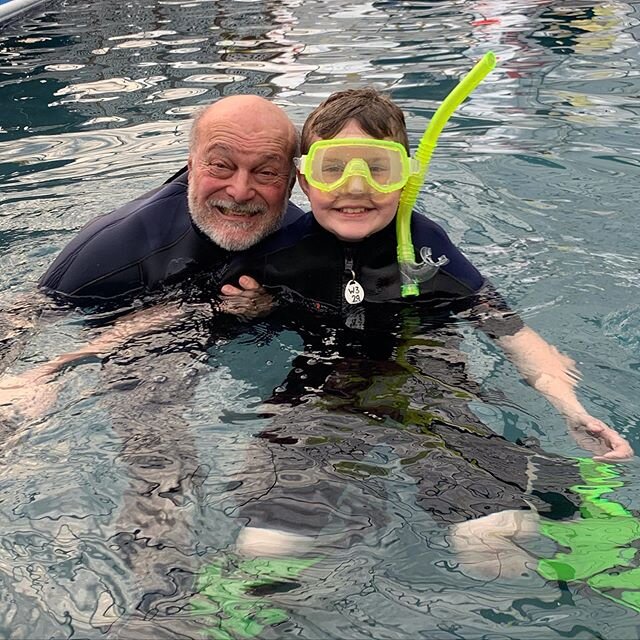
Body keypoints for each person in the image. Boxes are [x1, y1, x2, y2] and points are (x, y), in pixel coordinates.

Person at [219, 88, 633, 575]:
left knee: (490, 547)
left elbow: (508, 327)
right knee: (267, 547)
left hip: (426, 374)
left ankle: (559, 500)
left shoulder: (427, 248)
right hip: (320, 389)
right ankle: (323, 579)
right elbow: (202, 310)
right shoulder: (275, 255)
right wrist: (250, 309)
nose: (355, 187)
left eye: (378, 168)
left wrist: (571, 409)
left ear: (407, 175)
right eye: (334, 168)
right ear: (304, 179)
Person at [0, 94, 302, 418]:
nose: (240, 191)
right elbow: (23, 317)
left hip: (239, 348)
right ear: (192, 165)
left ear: (291, 182)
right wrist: (43, 376)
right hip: (144, 348)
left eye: (266, 172)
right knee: (148, 405)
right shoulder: (116, 247)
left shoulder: (305, 239)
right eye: (221, 165)